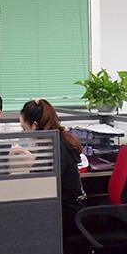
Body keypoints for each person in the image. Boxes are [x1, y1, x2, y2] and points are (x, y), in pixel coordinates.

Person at [19, 99, 85, 236]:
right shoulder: (58, 140)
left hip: (65, 217)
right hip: (65, 209)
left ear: (34, 126)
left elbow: (41, 186)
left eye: (24, 129)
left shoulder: (53, 147)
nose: (23, 134)